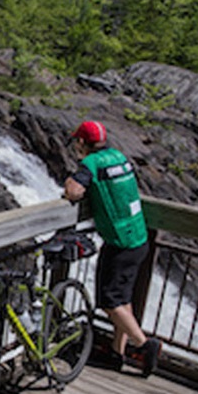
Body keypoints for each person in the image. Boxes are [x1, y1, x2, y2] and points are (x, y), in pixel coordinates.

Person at [63, 120, 161, 376]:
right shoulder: (118, 157)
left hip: (119, 242)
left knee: (109, 302)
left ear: (83, 143)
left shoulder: (91, 164)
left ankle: (144, 344)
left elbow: (74, 191)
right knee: (124, 298)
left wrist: (70, 183)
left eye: (77, 141)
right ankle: (116, 354)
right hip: (138, 238)